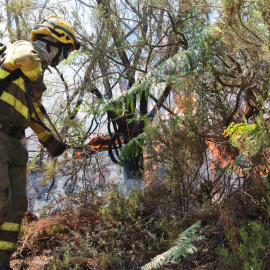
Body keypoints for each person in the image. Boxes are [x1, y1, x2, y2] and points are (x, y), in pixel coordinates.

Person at [0, 16, 80, 269]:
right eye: (65, 52)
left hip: (15, 144)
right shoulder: (23, 48)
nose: (63, 59)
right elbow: (27, 58)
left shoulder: (30, 80)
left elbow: (34, 115)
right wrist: (36, 82)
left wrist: (50, 142)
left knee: (15, 209)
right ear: (56, 44)